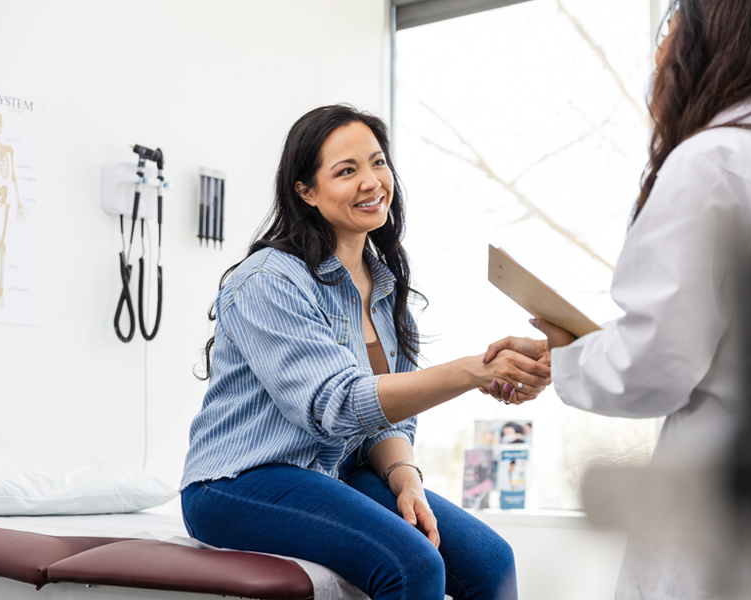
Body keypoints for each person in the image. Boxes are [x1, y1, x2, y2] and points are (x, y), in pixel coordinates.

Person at [482, 0, 751, 597]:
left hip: (722, 498)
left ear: (710, 40)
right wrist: (572, 353)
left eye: (671, 29)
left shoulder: (711, 162)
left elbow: (656, 366)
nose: (662, 51)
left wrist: (571, 355)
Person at [180, 105, 550, 600]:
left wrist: (406, 479)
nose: (372, 181)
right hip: (236, 483)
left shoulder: (384, 287)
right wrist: (475, 371)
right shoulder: (268, 280)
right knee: (413, 565)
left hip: (334, 472)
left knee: (491, 562)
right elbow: (337, 406)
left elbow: (387, 423)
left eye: (378, 163)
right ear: (305, 191)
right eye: (346, 171)